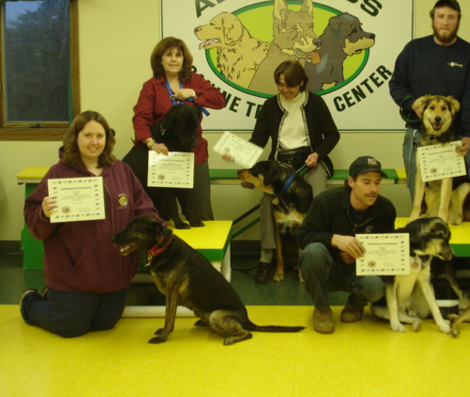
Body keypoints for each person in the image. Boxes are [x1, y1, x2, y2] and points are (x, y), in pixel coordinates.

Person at [20, 111, 160, 338]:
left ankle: (56, 299)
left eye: (100, 136)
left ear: (107, 139)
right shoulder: (58, 173)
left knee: (105, 323)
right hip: (73, 272)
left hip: (114, 270)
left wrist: (156, 227)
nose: (94, 142)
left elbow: (144, 207)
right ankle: (29, 301)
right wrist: (44, 214)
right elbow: (34, 222)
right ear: (75, 138)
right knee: (70, 327)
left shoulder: (121, 170)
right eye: (88, 135)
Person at [246, 60, 340, 284]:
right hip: (281, 165)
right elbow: (258, 139)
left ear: (301, 83)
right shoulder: (270, 106)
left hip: (310, 162)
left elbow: (332, 135)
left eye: (290, 86)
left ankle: (317, 253)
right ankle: (266, 257)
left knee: (318, 200)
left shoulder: (315, 103)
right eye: (280, 85)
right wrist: (240, 153)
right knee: (267, 200)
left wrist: (317, 153)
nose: (285, 90)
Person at [389, 0, 470, 216]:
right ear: (432, 19)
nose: (445, 22)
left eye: (451, 17)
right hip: (418, 134)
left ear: (458, 20)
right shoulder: (413, 50)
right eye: (440, 16)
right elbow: (396, 84)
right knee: (421, 201)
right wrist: (414, 104)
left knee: (467, 206)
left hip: (457, 137)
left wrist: (469, 134)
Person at [297, 156, 396, 334]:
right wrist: (335, 240)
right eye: (366, 182)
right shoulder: (326, 202)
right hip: (327, 268)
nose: (373, 189)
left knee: (376, 286)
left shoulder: (386, 209)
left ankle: (355, 305)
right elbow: (303, 237)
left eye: (377, 182)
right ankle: (321, 309)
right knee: (313, 252)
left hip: (359, 271)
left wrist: (363, 257)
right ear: (351, 182)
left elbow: (387, 252)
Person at [131, 36, 225, 223]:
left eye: (178, 55)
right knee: (164, 215)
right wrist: (151, 143)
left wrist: (194, 94)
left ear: (184, 59)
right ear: (160, 59)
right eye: (168, 55)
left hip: (194, 155)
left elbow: (219, 101)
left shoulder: (195, 81)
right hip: (165, 156)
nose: (174, 59)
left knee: (200, 212)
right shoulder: (151, 86)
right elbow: (141, 118)